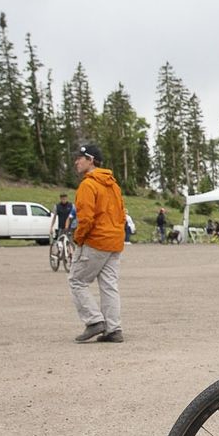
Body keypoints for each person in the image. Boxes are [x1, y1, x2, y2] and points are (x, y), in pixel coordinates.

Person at [68, 143, 126, 343]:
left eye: (79, 158)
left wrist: (78, 238)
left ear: (90, 160)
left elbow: (86, 218)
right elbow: (121, 214)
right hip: (114, 241)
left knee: (77, 281)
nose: (76, 161)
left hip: (95, 241)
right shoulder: (113, 185)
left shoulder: (88, 184)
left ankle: (94, 321)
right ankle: (113, 328)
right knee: (109, 285)